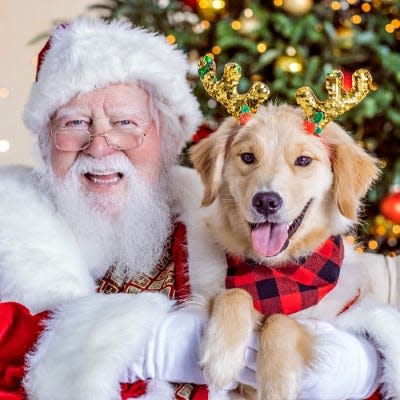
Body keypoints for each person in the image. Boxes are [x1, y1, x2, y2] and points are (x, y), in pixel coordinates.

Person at [0, 17, 391, 400]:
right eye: (74, 123)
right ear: (45, 140)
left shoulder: (218, 228)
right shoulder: (11, 226)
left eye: (124, 122)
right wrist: (142, 344)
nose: (100, 146)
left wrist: (363, 367)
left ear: (167, 136)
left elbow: (338, 317)